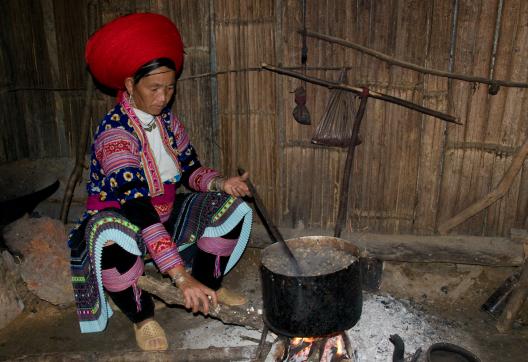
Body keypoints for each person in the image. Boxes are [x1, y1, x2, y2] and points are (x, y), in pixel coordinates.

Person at [68, 13, 253, 352]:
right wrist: (178, 276)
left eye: (169, 88)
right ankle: (142, 316)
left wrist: (221, 183)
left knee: (232, 208)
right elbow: (137, 206)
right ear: (128, 85)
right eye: (154, 88)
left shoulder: (167, 122)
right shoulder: (115, 134)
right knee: (110, 240)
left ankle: (209, 284)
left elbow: (192, 171)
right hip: (123, 216)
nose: (163, 97)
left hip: (163, 212)